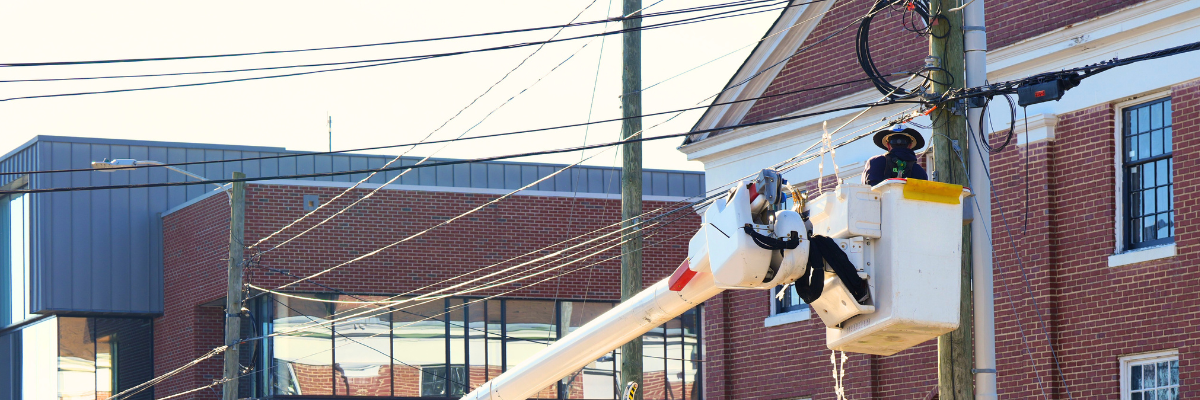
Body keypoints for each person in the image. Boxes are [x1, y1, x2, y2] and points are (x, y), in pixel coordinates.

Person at [862, 126, 928, 186]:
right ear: (910, 145)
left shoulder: (875, 162)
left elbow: (867, 191)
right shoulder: (918, 170)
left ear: (888, 145)